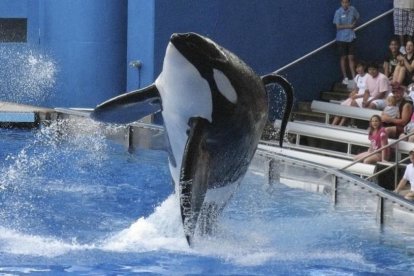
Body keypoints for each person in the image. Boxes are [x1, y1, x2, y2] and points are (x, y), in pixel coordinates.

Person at [332, 61, 367, 125]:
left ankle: (340, 125)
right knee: (342, 106)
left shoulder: (368, 77)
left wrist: (357, 96)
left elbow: (368, 92)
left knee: (348, 107)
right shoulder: (357, 76)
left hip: (363, 97)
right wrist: (352, 93)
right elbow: (356, 89)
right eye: (356, 68)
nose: (358, 69)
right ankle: (333, 125)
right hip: (355, 96)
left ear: (364, 67)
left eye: (359, 67)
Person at [333, 0, 360, 85]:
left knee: (351, 57)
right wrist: (349, 26)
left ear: (349, 3)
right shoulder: (338, 12)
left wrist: (354, 24)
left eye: (346, 2)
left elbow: (357, 17)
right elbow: (337, 26)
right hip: (341, 38)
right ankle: (345, 77)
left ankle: (354, 77)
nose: (345, 4)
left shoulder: (353, 9)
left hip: (351, 37)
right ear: (341, 3)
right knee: (343, 58)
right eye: (343, 2)